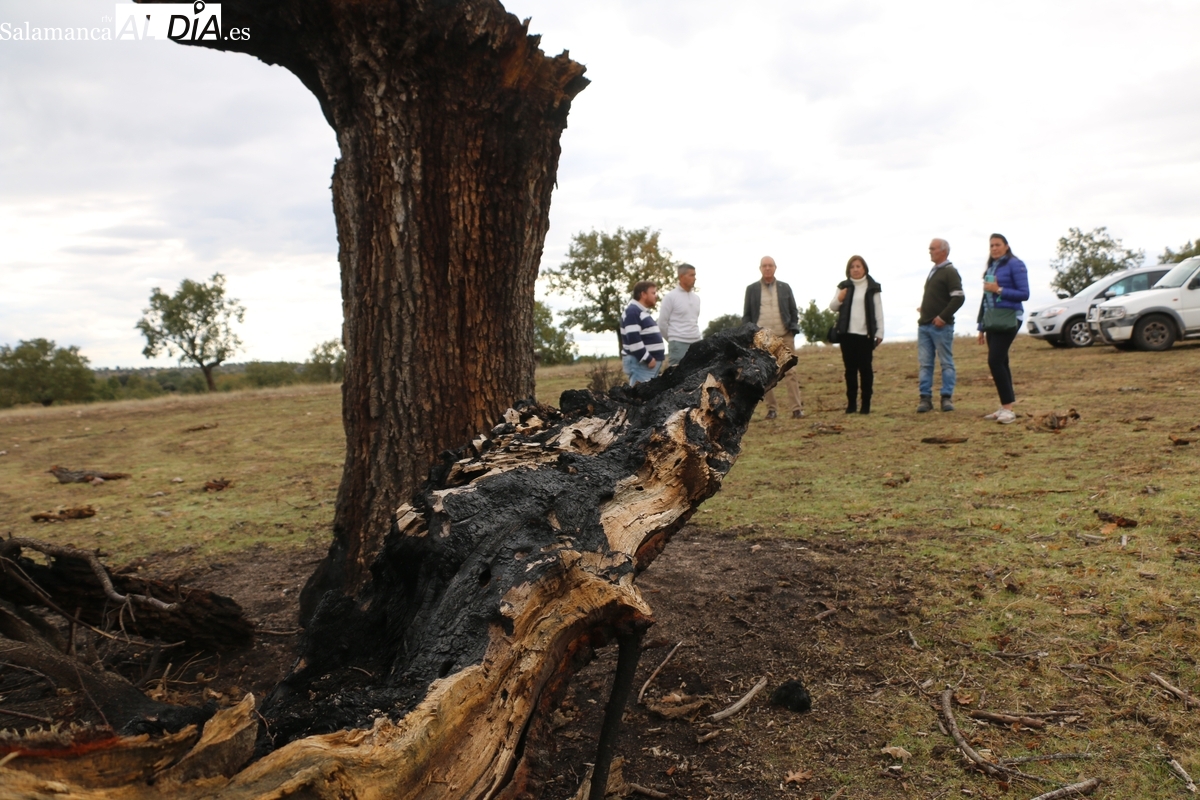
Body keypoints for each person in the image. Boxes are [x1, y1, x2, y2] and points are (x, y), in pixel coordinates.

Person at [977, 233, 1029, 424]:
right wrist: (981, 326)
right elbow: (985, 299)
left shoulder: (1016, 264)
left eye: (998, 245)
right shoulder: (992, 266)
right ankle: (1005, 406)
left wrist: (999, 290)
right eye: (991, 245)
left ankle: (1008, 409)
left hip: (1009, 318)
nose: (994, 248)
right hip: (993, 320)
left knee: (995, 360)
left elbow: (1025, 294)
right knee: (1002, 361)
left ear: (1006, 246)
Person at [743, 255, 804, 419]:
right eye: (764, 266)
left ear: (775, 268)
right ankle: (771, 410)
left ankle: (796, 409)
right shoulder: (752, 289)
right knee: (767, 374)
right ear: (760, 269)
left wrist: (793, 326)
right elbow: (747, 314)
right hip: (763, 338)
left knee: (791, 372)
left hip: (785, 335)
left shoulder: (785, 287)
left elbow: (793, 310)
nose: (767, 268)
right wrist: (749, 333)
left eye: (770, 265)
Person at [829, 255, 884, 414]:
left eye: (858, 266)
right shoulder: (844, 286)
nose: (855, 269)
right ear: (849, 270)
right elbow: (833, 307)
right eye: (852, 267)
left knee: (866, 370)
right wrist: (840, 298)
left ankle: (866, 404)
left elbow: (878, 310)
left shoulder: (872, 287)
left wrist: (880, 332)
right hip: (847, 335)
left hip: (865, 336)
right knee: (850, 370)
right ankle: (851, 404)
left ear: (864, 268)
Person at [916, 238, 965, 413]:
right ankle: (925, 399)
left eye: (933, 248)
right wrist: (926, 309)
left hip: (940, 327)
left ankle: (946, 398)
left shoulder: (950, 272)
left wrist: (943, 317)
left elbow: (958, 297)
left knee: (946, 363)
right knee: (925, 364)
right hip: (925, 325)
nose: (930, 251)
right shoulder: (934, 271)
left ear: (943, 251)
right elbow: (941, 297)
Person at [621, 280, 665, 386]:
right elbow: (633, 339)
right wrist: (648, 359)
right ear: (643, 294)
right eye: (653, 293)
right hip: (641, 365)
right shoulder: (633, 312)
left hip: (644, 366)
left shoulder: (639, 312)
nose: (656, 296)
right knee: (640, 397)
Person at [657, 263, 701, 366]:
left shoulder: (696, 298)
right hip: (678, 345)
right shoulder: (670, 297)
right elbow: (662, 323)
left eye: (695, 275)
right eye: (691, 275)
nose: (694, 278)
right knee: (677, 378)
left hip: (697, 343)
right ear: (681, 276)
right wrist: (674, 339)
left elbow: (694, 320)